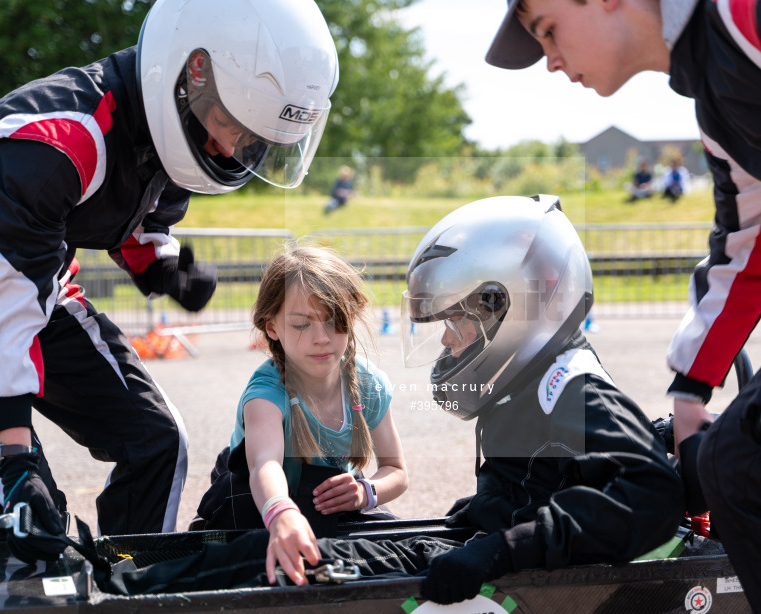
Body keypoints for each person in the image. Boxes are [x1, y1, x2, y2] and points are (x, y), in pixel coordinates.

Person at [485, 1, 761, 613]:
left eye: (548, 30)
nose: (550, 62)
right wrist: (689, 391)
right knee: (741, 471)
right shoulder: (718, 103)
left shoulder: (760, 11)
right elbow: (754, 240)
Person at [95, 195, 684, 605]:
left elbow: (652, 494)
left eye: (457, 322)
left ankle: (131, 588)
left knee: (312, 562)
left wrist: (499, 551)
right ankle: (130, 576)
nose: (448, 340)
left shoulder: (572, 388)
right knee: (310, 547)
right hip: (478, 544)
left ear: (514, 305)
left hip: (512, 563)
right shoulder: (527, 383)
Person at [0, 0, 339, 565]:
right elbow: (3, 305)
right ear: (192, 73)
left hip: (33, 289)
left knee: (156, 442)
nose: (233, 149)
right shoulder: (51, 146)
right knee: (23, 529)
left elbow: (136, 212)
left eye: (253, 141)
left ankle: (129, 580)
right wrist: (16, 455)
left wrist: (164, 268)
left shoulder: (168, 134)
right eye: (233, 126)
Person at [193, 245, 408, 580]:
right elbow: (265, 464)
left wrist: (365, 492)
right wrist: (282, 513)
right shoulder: (265, 392)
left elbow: (396, 470)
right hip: (257, 497)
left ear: (351, 316)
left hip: (324, 503)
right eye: (301, 324)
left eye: (333, 320)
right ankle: (212, 531)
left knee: (401, 557)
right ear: (273, 327)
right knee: (249, 564)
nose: (321, 338)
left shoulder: (369, 385)